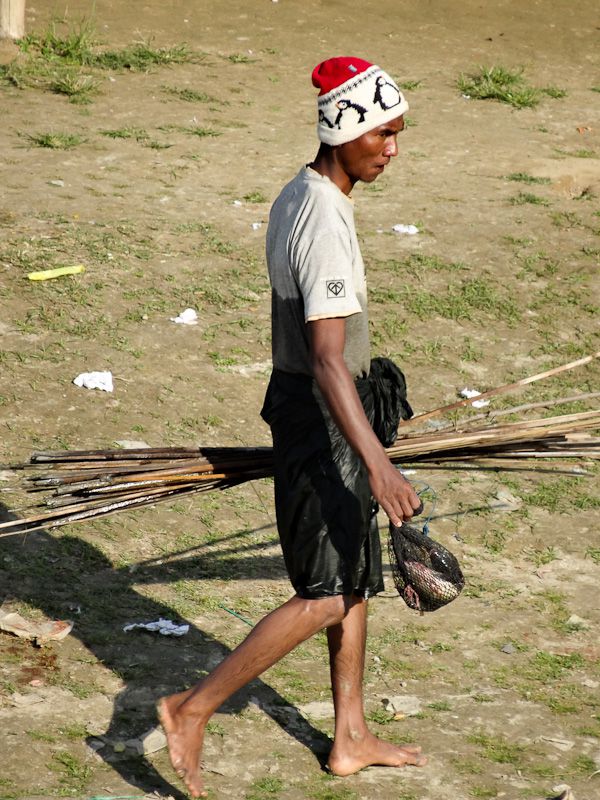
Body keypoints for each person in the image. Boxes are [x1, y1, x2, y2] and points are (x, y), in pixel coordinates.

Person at [158, 56, 426, 799]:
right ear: (344, 132)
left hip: (323, 411)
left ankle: (349, 736)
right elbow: (329, 359)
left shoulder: (300, 193)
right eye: (383, 133)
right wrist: (376, 462)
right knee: (324, 593)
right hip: (323, 419)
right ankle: (192, 707)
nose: (393, 148)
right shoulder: (325, 224)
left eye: (398, 133)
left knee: (354, 577)